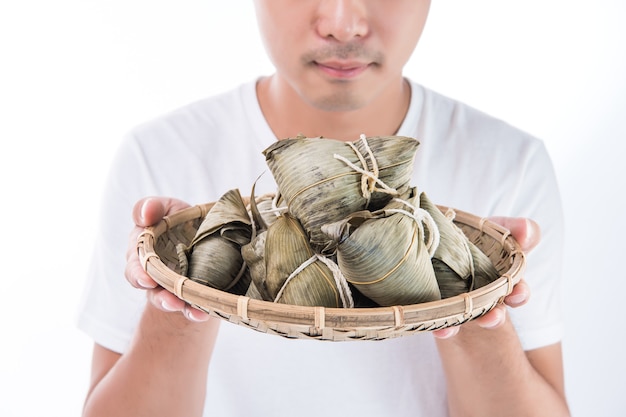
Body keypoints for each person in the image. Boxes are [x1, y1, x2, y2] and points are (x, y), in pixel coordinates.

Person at [78, 1, 570, 416]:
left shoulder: (511, 164)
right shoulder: (159, 155)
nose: (342, 23)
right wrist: (177, 301)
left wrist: (480, 309)